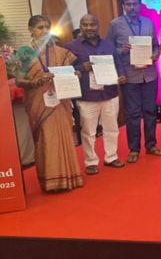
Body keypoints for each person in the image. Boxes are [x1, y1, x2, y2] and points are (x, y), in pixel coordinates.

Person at [15, 15, 83, 192]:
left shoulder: (60, 52)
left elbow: (68, 71)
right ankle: (51, 180)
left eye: (47, 27)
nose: (44, 31)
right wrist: (36, 81)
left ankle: (70, 177)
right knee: (47, 137)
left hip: (60, 100)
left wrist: (75, 75)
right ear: (30, 30)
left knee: (64, 135)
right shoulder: (24, 53)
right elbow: (18, 81)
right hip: (39, 102)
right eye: (40, 27)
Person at [107, 0, 161, 163]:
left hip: (149, 75)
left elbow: (155, 46)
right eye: (128, 4)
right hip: (129, 76)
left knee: (150, 111)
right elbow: (108, 50)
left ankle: (151, 145)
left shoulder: (148, 23)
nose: (132, 7)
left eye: (135, 4)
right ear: (123, 6)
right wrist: (121, 50)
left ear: (140, 5)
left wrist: (155, 54)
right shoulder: (115, 24)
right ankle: (134, 149)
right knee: (132, 114)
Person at [66, 14, 126, 175]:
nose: (89, 28)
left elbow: (118, 64)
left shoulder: (108, 45)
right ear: (80, 26)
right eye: (85, 24)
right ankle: (91, 162)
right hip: (87, 96)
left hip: (109, 93)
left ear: (97, 26)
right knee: (88, 131)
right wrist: (81, 68)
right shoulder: (71, 47)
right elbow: (65, 69)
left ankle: (111, 157)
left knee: (111, 128)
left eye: (92, 24)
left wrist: (121, 75)